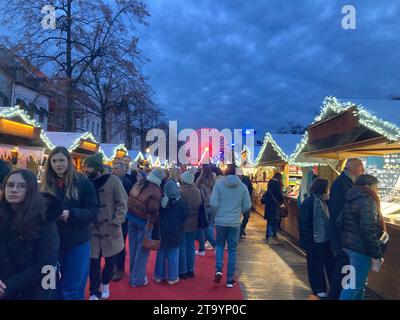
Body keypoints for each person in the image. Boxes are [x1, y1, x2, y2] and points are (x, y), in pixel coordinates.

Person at [41, 146, 99, 300]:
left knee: (72, 288)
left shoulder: (83, 183)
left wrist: (70, 213)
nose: (58, 164)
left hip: (77, 241)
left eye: (61, 160)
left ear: (69, 161)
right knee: (51, 286)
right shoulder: (46, 184)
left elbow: (93, 212)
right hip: (51, 242)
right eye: (54, 161)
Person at [0, 170, 60, 300]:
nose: (14, 190)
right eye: (10, 185)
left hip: (38, 286)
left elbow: (45, 264)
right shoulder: (2, 214)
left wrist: (8, 287)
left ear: (31, 190)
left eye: (21, 186)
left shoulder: (45, 218)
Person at [83, 156, 127, 300]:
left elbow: (122, 202)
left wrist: (116, 220)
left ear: (97, 168)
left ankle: (105, 282)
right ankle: (94, 291)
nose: (85, 170)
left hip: (111, 229)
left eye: (88, 167)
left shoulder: (113, 181)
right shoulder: (86, 182)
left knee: (110, 261)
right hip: (93, 230)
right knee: (93, 262)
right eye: (84, 167)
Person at [337, 174, 386, 300]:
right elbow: (368, 229)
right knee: (355, 285)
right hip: (360, 250)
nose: (377, 190)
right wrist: (377, 253)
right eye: (376, 187)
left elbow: (339, 223)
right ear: (367, 186)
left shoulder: (349, 197)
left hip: (348, 247)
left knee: (354, 284)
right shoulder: (368, 201)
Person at [328, 158, 364, 300]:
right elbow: (338, 214)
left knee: (343, 275)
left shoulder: (345, 183)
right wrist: (340, 241)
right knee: (342, 276)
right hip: (343, 240)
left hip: (344, 239)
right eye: (361, 169)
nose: (363, 172)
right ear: (353, 168)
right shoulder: (341, 184)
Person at [210, 164, 251, 288]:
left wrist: (219, 211)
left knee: (220, 245)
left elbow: (213, 203)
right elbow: (247, 205)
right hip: (234, 222)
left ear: (225, 173)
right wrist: (238, 211)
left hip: (221, 221)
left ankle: (218, 269)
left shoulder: (219, 185)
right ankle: (229, 279)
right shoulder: (242, 186)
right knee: (232, 250)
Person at [127, 167, 165, 287]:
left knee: (133, 248)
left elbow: (131, 196)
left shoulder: (140, 182)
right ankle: (137, 279)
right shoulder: (156, 190)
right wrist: (153, 221)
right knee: (142, 250)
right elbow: (153, 209)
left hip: (131, 217)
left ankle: (133, 273)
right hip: (144, 221)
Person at [299, 178, 333, 299]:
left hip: (327, 240)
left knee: (328, 265)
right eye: (328, 187)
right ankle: (319, 288)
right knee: (315, 266)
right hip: (314, 240)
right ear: (324, 188)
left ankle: (328, 288)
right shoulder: (309, 202)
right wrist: (307, 241)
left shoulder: (328, 202)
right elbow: (304, 223)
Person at [154, 180, 187, 285]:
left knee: (161, 253)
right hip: (176, 231)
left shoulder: (162, 202)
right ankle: (172, 277)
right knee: (173, 253)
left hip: (162, 230)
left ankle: (159, 276)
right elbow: (184, 216)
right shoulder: (181, 202)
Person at [111, 161, 134, 282]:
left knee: (120, 244)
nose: (113, 170)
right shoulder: (110, 181)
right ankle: (112, 266)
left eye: (116, 169)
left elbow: (127, 202)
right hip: (111, 217)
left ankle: (119, 268)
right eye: (112, 168)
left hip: (123, 219)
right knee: (112, 243)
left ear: (123, 170)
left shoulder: (127, 183)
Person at [179, 170, 202, 279]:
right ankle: (191, 269)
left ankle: (183, 270)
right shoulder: (197, 191)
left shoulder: (181, 192)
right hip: (194, 221)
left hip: (183, 222)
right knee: (191, 246)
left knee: (182, 246)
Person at [196, 165, 216, 254]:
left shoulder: (200, 182)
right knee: (208, 226)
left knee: (202, 228)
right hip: (212, 206)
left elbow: (201, 196)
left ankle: (203, 248)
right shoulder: (213, 181)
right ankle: (212, 245)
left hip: (204, 206)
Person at [261, 172, 284, 244]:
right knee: (275, 220)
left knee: (269, 220)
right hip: (275, 205)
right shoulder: (278, 184)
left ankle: (268, 235)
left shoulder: (270, 182)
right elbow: (279, 195)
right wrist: (282, 201)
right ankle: (273, 236)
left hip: (269, 204)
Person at [236, 167, 253, 239]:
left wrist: (248, 196)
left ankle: (241, 229)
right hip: (237, 201)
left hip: (244, 200)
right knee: (236, 217)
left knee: (246, 216)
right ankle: (240, 230)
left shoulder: (246, 179)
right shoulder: (236, 180)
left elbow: (250, 188)